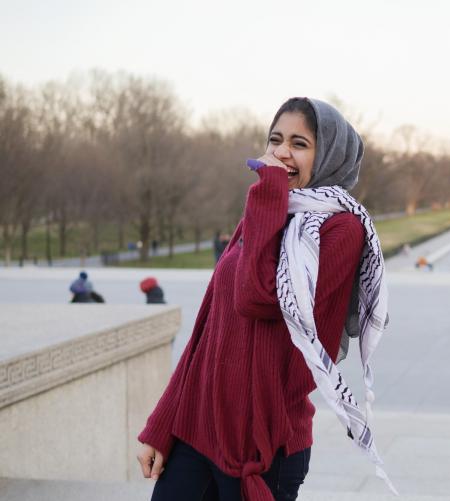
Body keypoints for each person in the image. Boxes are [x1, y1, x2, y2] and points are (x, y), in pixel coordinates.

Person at [137, 98, 394, 501]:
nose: (281, 152)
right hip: (196, 432)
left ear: (328, 156)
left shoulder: (342, 230)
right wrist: (161, 426)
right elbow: (206, 332)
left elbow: (257, 298)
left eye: (299, 143)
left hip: (263, 446)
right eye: (275, 140)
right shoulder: (265, 210)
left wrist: (268, 195)